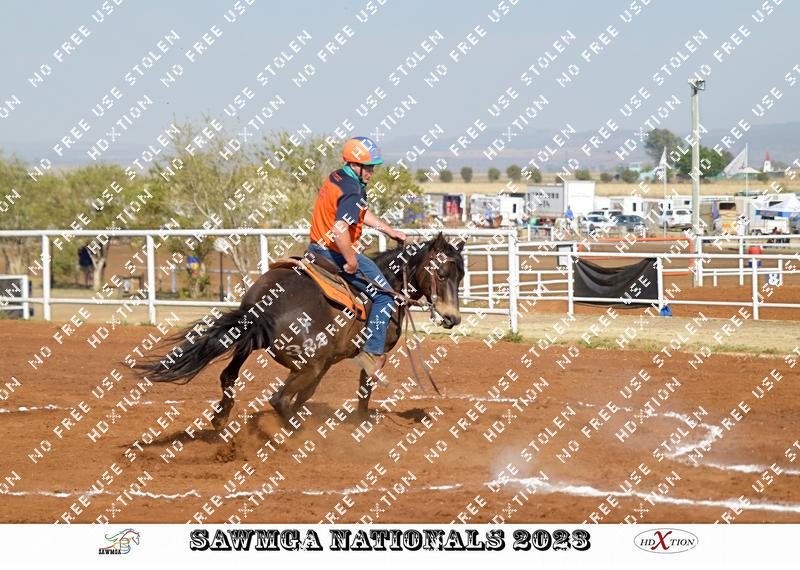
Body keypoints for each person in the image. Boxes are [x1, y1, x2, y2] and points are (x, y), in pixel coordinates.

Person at [308, 136, 406, 388]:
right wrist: (351, 260)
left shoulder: (337, 177)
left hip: (315, 248)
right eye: (369, 167)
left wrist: (388, 230)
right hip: (335, 252)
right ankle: (371, 355)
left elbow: (359, 212)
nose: (372, 172)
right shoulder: (353, 189)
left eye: (373, 167)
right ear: (355, 164)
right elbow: (340, 228)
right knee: (386, 296)